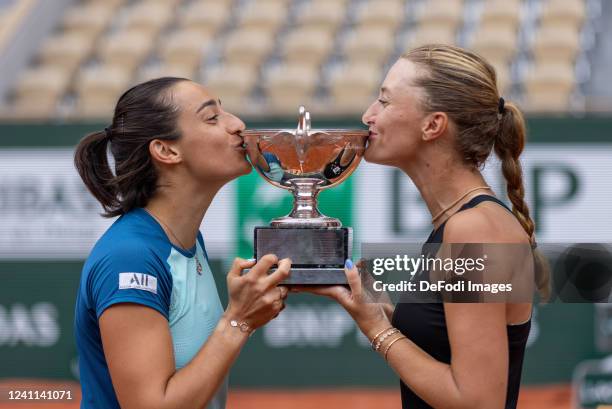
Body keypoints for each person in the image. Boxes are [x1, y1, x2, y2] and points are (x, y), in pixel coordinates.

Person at [297, 45, 549, 409]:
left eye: (384, 102)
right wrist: (377, 309)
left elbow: (479, 401)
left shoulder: (474, 229)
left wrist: (378, 331)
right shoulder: (460, 223)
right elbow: (444, 353)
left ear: (433, 125)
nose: (368, 115)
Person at [73, 77, 291, 409]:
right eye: (212, 117)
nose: (237, 125)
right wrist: (239, 320)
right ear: (166, 150)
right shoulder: (130, 257)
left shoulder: (187, 240)